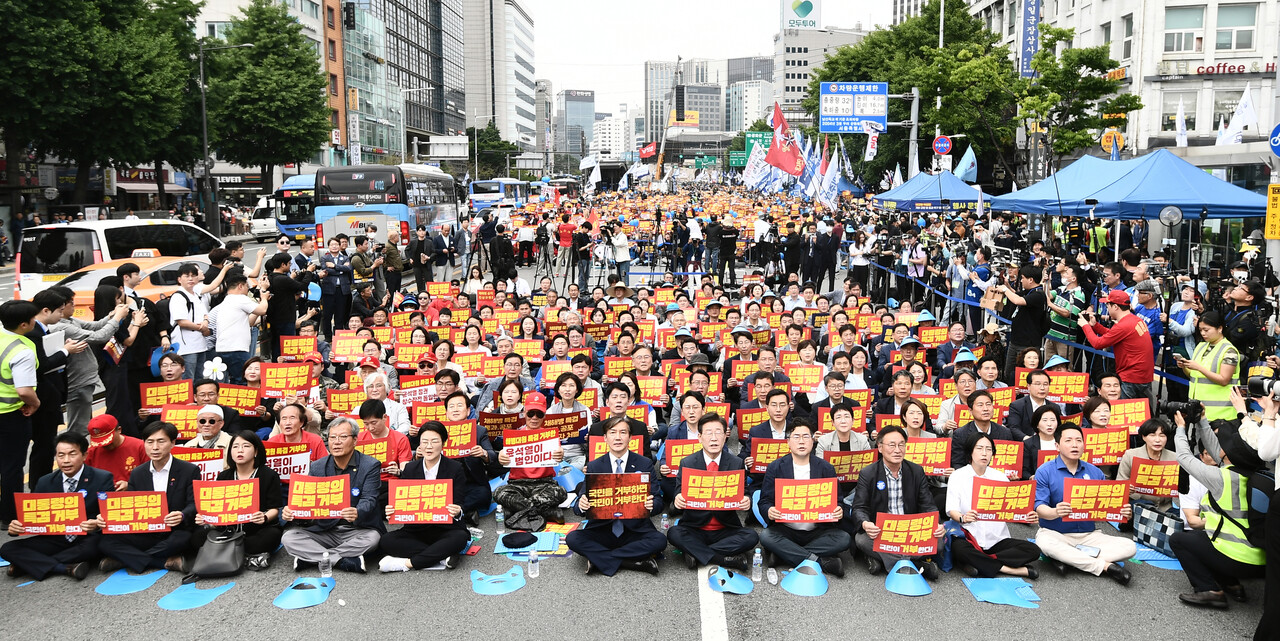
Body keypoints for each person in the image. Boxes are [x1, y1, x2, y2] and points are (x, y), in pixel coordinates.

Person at [1170, 412, 1266, 609]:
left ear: (1229, 454)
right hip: (1263, 561)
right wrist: (1201, 420)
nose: (1220, 449)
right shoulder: (1262, 473)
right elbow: (1218, 452)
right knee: (1211, 540)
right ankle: (1233, 585)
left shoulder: (1221, 478)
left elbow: (1184, 457)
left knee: (1179, 540)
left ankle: (1209, 590)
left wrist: (1181, 428)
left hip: (1236, 558)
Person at [1, 432, 114, 580]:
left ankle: (27, 564)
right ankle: (63, 567)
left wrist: (96, 524)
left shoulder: (102, 478)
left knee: (101, 545)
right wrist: (16, 527)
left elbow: (109, 516)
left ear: (84, 455)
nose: (66, 460)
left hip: (86, 537)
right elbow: (32, 517)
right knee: (8, 548)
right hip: (56, 538)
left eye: (72, 454)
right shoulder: (44, 482)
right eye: (61, 455)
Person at [1033, 423, 1135, 584]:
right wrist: (1055, 512)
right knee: (1044, 543)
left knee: (1130, 547)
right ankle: (1104, 566)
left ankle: (1069, 559)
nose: (1074, 445)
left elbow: (1103, 511)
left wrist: (1121, 512)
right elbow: (1039, 508)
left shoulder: (1095, 472)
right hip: (1055, 533)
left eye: (1079, 440)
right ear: (1057, 446)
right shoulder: (1044, 471)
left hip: (1089, 536)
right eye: (1068, 440)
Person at [280, 416, 384, 573]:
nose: (336, 442)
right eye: (332, 437)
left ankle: (312, 557)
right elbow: (307, 502)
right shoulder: (317, 467)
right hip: (324, 530)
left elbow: (369, 499)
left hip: (356, 529)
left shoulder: (370, 465)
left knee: (373, 539)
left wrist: (357, 511)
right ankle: (342, 560)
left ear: (355, 440)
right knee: (289, 538)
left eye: (343, 437)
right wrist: (293, 511)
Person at [567, 416, 667, 576]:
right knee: (572, 539)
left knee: (660, 541)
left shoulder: (644, 464)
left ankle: (600, 559)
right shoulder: (594, 465)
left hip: (635, 529)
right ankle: (634, 562)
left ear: (630, 437)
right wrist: (581, 504)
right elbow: (577, 506)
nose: (618, 437)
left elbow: (658, 502)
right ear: (605, 438)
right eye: (613, 433)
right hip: (602, 529)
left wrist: (652, 504)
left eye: (623, 432)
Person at [96, 422, 200, 574]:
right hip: (146, 531)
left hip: (174, 530)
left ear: (172, 443)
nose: (155, 447)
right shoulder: (138, 473)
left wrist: (182, 515)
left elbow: (194, 503)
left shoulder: (189, 470)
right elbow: (129, 505)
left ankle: (124, 559)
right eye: (149, 442)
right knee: (105, 542)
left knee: (184, 539)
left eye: (161, 441)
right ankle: (164, 562)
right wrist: (106, 517)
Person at [848, 425, 944, 579]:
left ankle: (885, 560)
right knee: (861, 539)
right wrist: (866, 524)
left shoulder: (916, 471)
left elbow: (928, 505)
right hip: (882, 531)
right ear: (880, 447)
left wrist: (936, 524)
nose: (897, 450)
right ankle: (917, 565)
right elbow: (859, 507)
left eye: (901, 445)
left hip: (910, 530)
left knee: (938, 541)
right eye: (892, 445)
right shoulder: (868, 473)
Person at [758, 419, 850, 576]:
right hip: (786, 529)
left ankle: (783, 555)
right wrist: (769, 511)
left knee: (844, 538)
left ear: (813, 441)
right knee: (766, 536)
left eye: (806, 437)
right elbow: (764, 501)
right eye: (796, 437)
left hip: (817, 530)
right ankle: (822, 561)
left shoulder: (826, 468)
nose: (801, 441)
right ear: (788, 442)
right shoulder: (776, 467)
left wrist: (839, 510)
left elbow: (838, 501)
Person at [666, 413, 757, 571]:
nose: (714, 438)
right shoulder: (687, 462)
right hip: (695, 527)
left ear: (725, 436)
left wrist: (747, 500)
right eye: (708, 433)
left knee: (752, 537)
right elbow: (678, 491)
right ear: (700, 437)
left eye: (718, 432)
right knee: (673, 533)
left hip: (725, 528)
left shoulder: (736, 463)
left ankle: (695, 553)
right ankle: (724, 559)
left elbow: (745, 492)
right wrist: (678, 498)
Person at [945, 432, 1042, 578]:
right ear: (970, 451)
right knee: (958, 548)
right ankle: (1011, 570)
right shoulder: (958, 476)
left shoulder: (1000, 477)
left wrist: (1027, 515)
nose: (984, 453)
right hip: (970, 536)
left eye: (988, 449)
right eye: (979, 448)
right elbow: (952, 509)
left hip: (997, 539)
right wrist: (963, 518)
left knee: (1033, 550)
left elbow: (1011, 509)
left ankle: (977, 563)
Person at [377, 421, 469, 572]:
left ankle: (406, 564)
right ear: (419, 445)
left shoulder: (455, 468)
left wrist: (458, 510)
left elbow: (460, 503)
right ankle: (441, 556)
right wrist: (392, 511)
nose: (429, 446)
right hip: (416, 530)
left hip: (445, 528)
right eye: (424, 442)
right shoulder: (410, 469)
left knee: (460, 538)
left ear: (443, 443)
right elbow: (402, 501)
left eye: (434, 441)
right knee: (386, 541)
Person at [200, 432, 283, 570]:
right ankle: (247, 557)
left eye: (246, 446)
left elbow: (275, 508)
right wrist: (207, 518)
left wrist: (264, 517)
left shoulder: (268, 475)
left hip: (256, 530)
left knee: (272, 536)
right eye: (235, 447)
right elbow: (216, 508)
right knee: (197, 535)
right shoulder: (224, 476)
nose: (240, 450)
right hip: (228, 530)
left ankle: (225, 553)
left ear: (256, 451)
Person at [493, 394, 566, 527]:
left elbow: (557, 456)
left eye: (539, 414)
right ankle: (546, 511)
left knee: (561, 492)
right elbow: (505, 457)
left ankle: (518, 510)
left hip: (544, 484)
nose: (534, 418)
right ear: (524, 413)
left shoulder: (551, 437)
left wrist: (560, 454)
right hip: (517, 484)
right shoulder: (513, 436)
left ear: (544, 416)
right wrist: (501, 456)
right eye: (531, 413)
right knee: (499, 493)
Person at [0, 301, 42, 523]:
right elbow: (24, 391)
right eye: (33, 319)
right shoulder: (22, 349)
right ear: (24, 324)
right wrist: (35, 403)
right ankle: (9, 516)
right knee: (12, 466)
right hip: (9, 415)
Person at [1078, 290, 1154, 409]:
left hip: (1130, 378)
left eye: (1107, 305)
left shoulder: (1123, 325)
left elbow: (1098, 343)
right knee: (1143, 415)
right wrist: (1095, 326)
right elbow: (1113, 335)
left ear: (1115, 306)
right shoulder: (1135, 320)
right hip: (1143, 377)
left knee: (1123, 414)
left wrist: (1085, 326)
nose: (1107, 308)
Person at [1176, 310, 1238, 422]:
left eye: (1206, 330)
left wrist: (1198, 367)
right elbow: (1193, 376)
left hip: (1221, 415)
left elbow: (1224, 380)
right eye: (1200, 330)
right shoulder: (1201, 346)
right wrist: (1185, 366)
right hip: (1198, 411)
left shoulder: (1229, 351)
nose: (1203, 333)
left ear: (1220, 328)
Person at [1116, 419, 1177, 512]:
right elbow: (1120, 483)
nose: (1157, 440)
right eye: (1152, 435)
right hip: (1138, 504)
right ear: (1143, 437)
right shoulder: (1131, 455)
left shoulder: (1174, 458)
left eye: (1162, 435)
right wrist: (1127, 488)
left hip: (1165, 507)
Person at [950, 390, 1015, 469]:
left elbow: (1009, 462)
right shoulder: (961, 434)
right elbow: (958, 463)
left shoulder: (1005, 432)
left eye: (988, 404)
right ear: (970, 411)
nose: (985, 409)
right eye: (980, 405)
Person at [85, 415, 146, 490]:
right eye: (100, 442)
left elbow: (150, 476)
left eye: (108, 440)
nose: (105, 444)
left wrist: (131, 485)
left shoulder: (139, 446)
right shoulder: (91, 452)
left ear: (119, 430)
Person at [1004, 369, 1061, 439]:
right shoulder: (1017, 406)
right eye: (1038, 384)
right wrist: (1027, 439)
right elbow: (1014, 428)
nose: (1042, 388)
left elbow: (1059, 429)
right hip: (1026, 445)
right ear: (1029, 386)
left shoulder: (1055, 407)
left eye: (1045, 384)